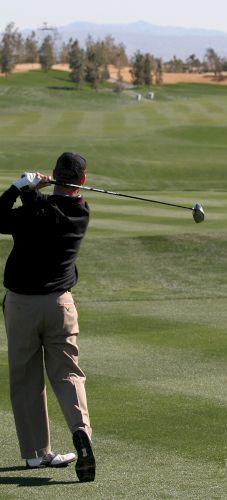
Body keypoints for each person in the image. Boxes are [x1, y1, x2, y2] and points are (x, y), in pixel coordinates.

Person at [0, 152, 96, 482]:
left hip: (21, 306)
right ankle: (81, 431)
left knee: (26, 379)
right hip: (60, 306)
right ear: (82, 180)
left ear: (55, 176)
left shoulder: (34, 212)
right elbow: (49, 209)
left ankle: (36, 455)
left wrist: (18, 187)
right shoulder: (81, 212)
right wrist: (32, 194)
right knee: (68, 373)